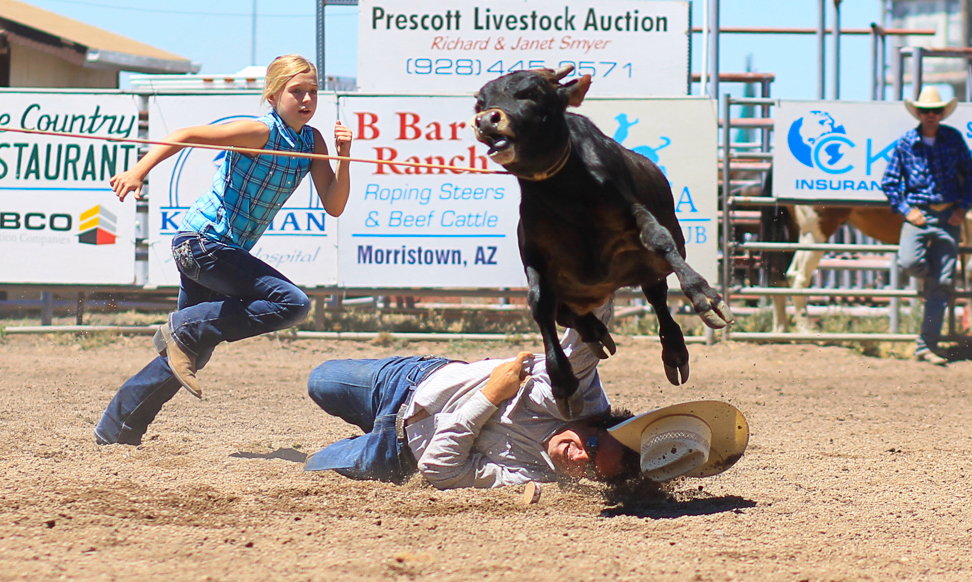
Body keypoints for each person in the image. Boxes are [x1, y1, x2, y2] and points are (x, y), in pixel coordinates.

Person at [94, 55, 353, 445]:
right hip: (202, 244)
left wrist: (344, 155)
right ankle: (183, 327)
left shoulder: (311, 141)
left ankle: (115, 430)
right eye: (296, 91)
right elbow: (183, 135)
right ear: (273, 94)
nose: (306, 100)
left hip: (212, 252)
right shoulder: (258, 131)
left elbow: (333, 204)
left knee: (191, 354)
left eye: (312, 92)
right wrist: (137, 171)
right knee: (293, 303)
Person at [303, 300, 640, 488]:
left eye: (593, 469)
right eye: (593, 446)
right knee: (318, 381)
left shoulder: (536, 476)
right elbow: (582, 343)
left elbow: (439, 470)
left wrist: (490, 396)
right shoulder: (570, 397)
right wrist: (599, 282)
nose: (580, 459)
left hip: (395, 454)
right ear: (595, 420)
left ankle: (363, 436)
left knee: (311, 465)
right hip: (409, 382)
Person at [881, 86, 972, 365]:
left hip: (948, 215)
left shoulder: (953, 139)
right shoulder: (906, 143)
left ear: (942, 113)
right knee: (910, 263)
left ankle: (926, 345)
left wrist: (962, 208)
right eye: (926, 111)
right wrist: (906, 210)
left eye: (935, 111)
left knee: (944, 281)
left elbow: (970, 175)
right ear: (919, 113)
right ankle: (931, 278)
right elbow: (889, 182)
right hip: (920, 214)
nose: (931, 115)